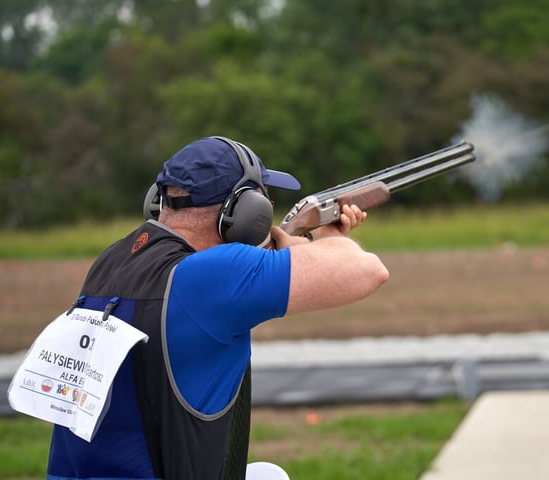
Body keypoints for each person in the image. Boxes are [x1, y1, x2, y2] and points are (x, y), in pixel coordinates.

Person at [46, 136, 389, 479]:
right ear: (244, 212)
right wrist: (327, 237)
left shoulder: (114, 259)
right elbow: (368, 271)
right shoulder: (210, 275)